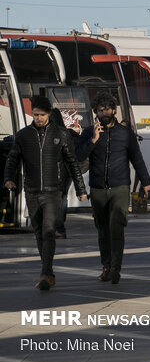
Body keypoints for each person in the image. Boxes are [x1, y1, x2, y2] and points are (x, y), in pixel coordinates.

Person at [3, 96, 87, 290]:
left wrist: (80, 189)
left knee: (49, 232)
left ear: (49, 114)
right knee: (39, 233)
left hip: (53, 191)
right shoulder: (23, 135)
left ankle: (45, 273)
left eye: (42, 115)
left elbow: (72, 162)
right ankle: (48, 272)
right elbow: (12, 159)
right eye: (35, 115)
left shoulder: (61, 134)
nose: (39, 118)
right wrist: (8, 178)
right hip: (31, 191)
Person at [76, 91, 150, 284]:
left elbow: (137, 158)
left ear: (114, 110)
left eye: (108, 109)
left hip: (120, 187)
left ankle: (116, 268)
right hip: (98, 188)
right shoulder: (88, 132)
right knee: (102, 229)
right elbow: (78, 156)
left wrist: (145, 180)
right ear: (95, 112)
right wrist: (93, 139)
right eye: (101, 110)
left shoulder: (125, 133)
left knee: (116, 227)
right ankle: (106, 266)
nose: (105, 112)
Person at [49, 108, 80, 239]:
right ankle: (60, 228)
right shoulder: (70, 133)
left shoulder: (50, 134)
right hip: (67, 173)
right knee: (63, 198)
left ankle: (51, 227)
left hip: (53, 172)